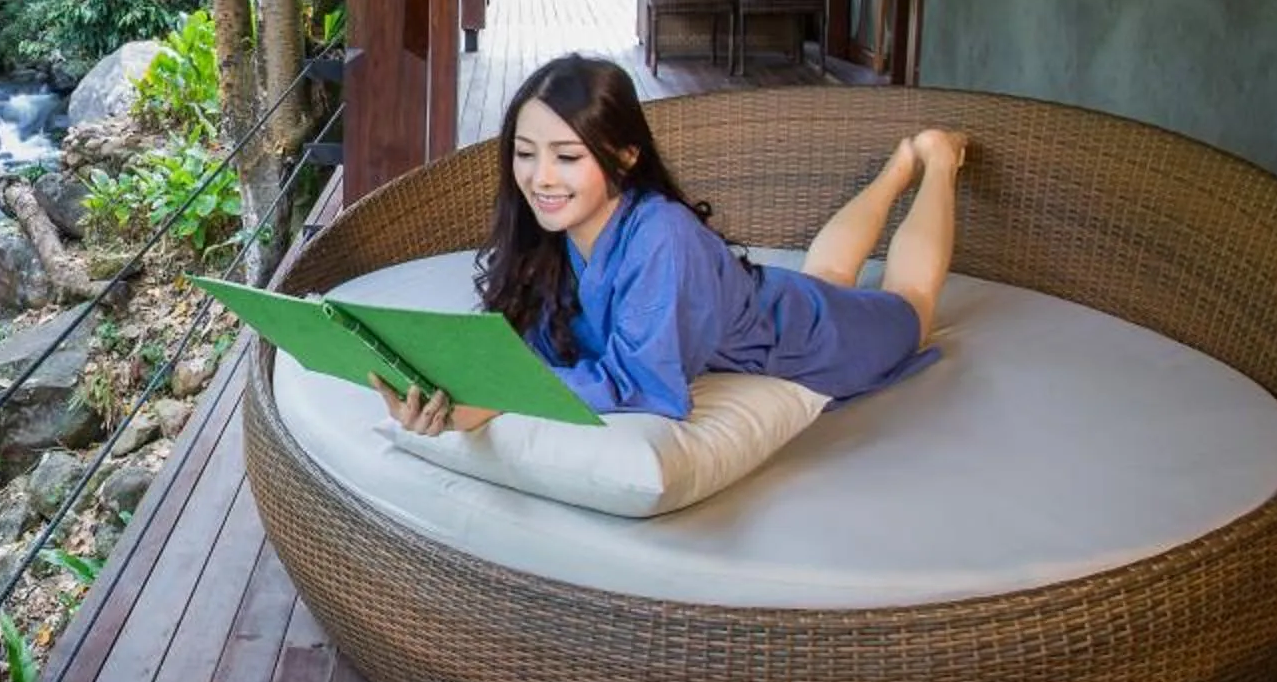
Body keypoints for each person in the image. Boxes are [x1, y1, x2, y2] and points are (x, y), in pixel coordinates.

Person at [376, 54, 968, 435]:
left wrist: (501, 401)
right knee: (830, 273)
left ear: (625, 155)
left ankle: (938, 161)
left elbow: (641, 381)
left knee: (909, 301)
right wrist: (450, 386)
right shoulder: (555, 230)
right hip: (767, 300)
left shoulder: (660, 234)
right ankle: (895, 171)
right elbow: (526, 341)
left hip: (806, 339)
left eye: (567, 156)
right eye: (525, 154)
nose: (540, 178)